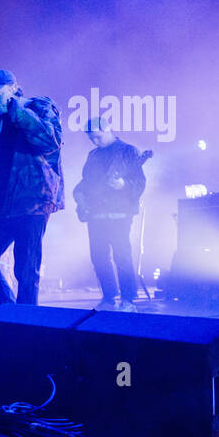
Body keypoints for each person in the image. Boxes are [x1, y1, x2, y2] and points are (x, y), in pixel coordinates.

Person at [0, 68, 65, 306]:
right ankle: (10, 313)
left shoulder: (39, 107)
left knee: (26, 272)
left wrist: (16, 111)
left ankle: (27, 327)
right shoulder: (0, 120)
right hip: (0, 206)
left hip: (32, 204)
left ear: (14, 88)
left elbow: (49, 142)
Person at [73, 116, 147, 311]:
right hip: (96, 214)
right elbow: (86, 182)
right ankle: (108, 296)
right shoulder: (93, 155)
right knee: (98, 257)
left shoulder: (128, 151)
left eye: (97, 137)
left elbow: (139, 183)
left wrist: (124, 185)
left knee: (122, 255)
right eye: (91, 139)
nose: (95, 141)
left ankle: (129, 299)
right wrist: (80, 197)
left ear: (107, 130)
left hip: (119, 214)